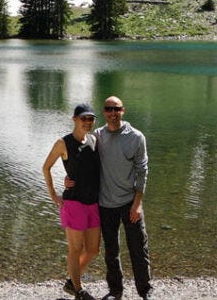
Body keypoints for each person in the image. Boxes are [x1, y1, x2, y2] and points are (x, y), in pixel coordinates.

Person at [70, 95, 152, 300]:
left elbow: (143, 171)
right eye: (108, 109)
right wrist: (69, 178)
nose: (113, 113)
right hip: (105, 205)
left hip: (130, 204)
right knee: (111, 253)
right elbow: (79, 159)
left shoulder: (136, 137)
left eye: (117, 109)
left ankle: (145, 291)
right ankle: (116, 291)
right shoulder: (97, 136)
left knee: (138, 249)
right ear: (104, 113)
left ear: (123, 111)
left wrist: (138, 204)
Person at [44, 103, 102, 300]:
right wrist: (53, 194)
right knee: (75, 248)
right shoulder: (63, 143)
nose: (87, 122)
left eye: (90, 119)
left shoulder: (94, 140)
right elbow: (46, 167)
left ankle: (71, 280)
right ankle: (79, 290)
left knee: (93, 249)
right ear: (75, 120)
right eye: (83, 118)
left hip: (93, 203)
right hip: (74, 203)